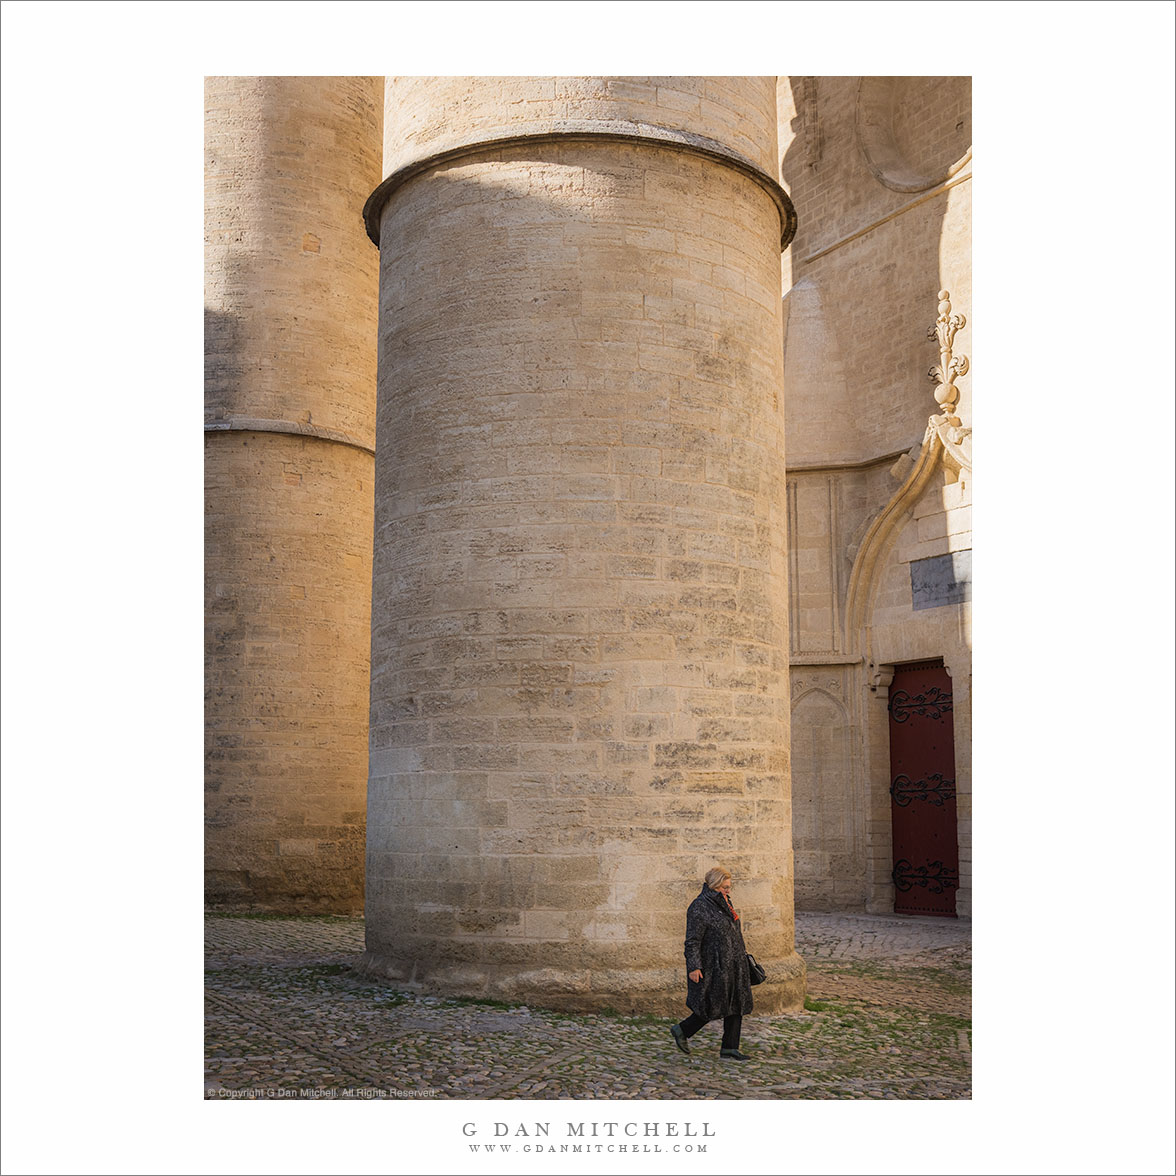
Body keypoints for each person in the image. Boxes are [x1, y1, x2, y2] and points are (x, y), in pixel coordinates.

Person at [670, 866, 753, 1060]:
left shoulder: (725, 902)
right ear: (714, 885)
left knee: (736, 1003)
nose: (728, 890)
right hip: (715, 964)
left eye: (729, 887)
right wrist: (694, 966)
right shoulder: (699, 907)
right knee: (713, 1004)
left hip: (734, 963)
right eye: (725, 887)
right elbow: (692, 940)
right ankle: (682, 1030)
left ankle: (730, 1047)